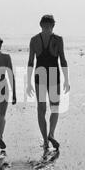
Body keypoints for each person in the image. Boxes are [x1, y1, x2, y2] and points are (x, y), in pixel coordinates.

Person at [27, 15, 70, 151]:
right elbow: (62, 59)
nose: (47, 29)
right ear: (53, 25)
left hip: (40, 75)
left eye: (48, 27)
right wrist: (66, 79)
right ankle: (51, 134)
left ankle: (46, 140)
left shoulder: (34, 40)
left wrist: (28, 82)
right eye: (47, 26)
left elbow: (30, 62)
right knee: (55, 107)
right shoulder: (58, 39)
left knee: (41, 109)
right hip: (53, 74)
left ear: (42, 25)